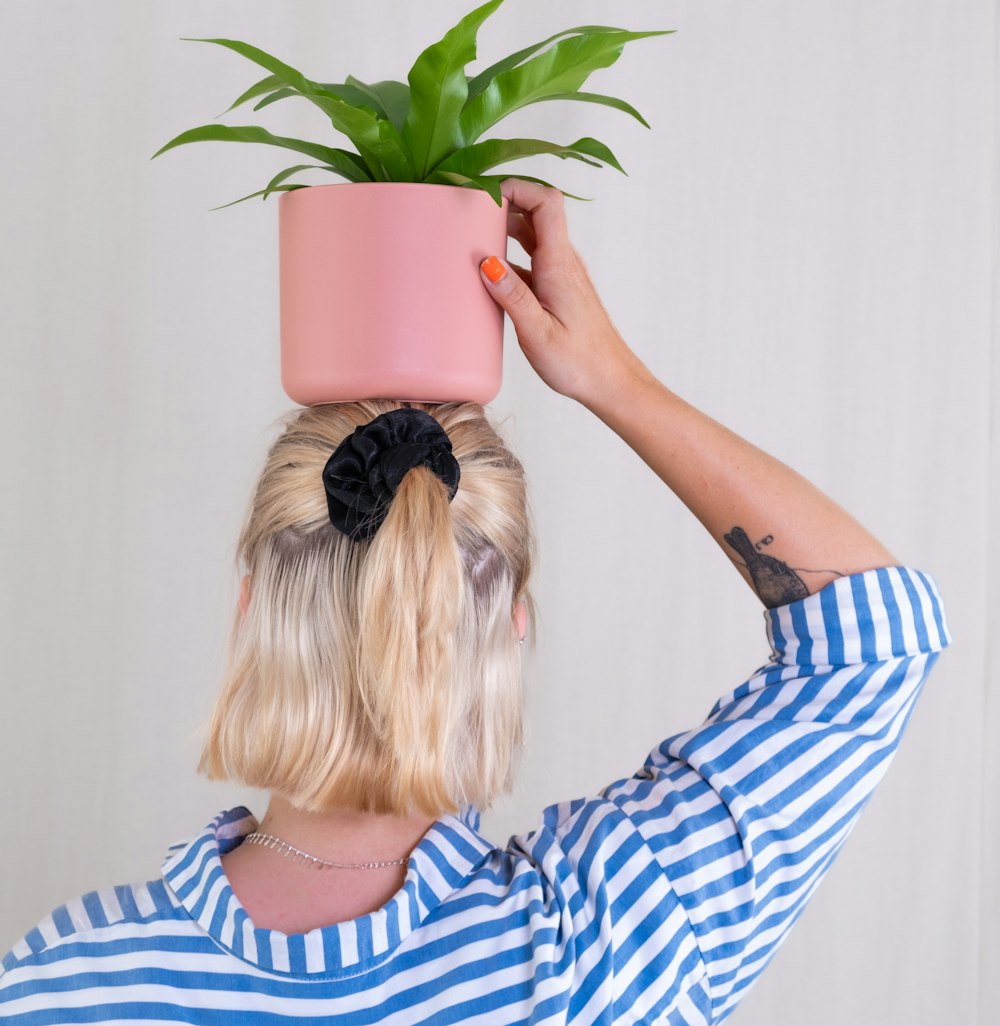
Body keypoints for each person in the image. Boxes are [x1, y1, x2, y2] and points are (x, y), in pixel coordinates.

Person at [0, 176, 950, 1024]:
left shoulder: (67, 979)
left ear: (250, 611)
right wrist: (612, 380)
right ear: (512, 628)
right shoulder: (607, 941)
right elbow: (875, 639)